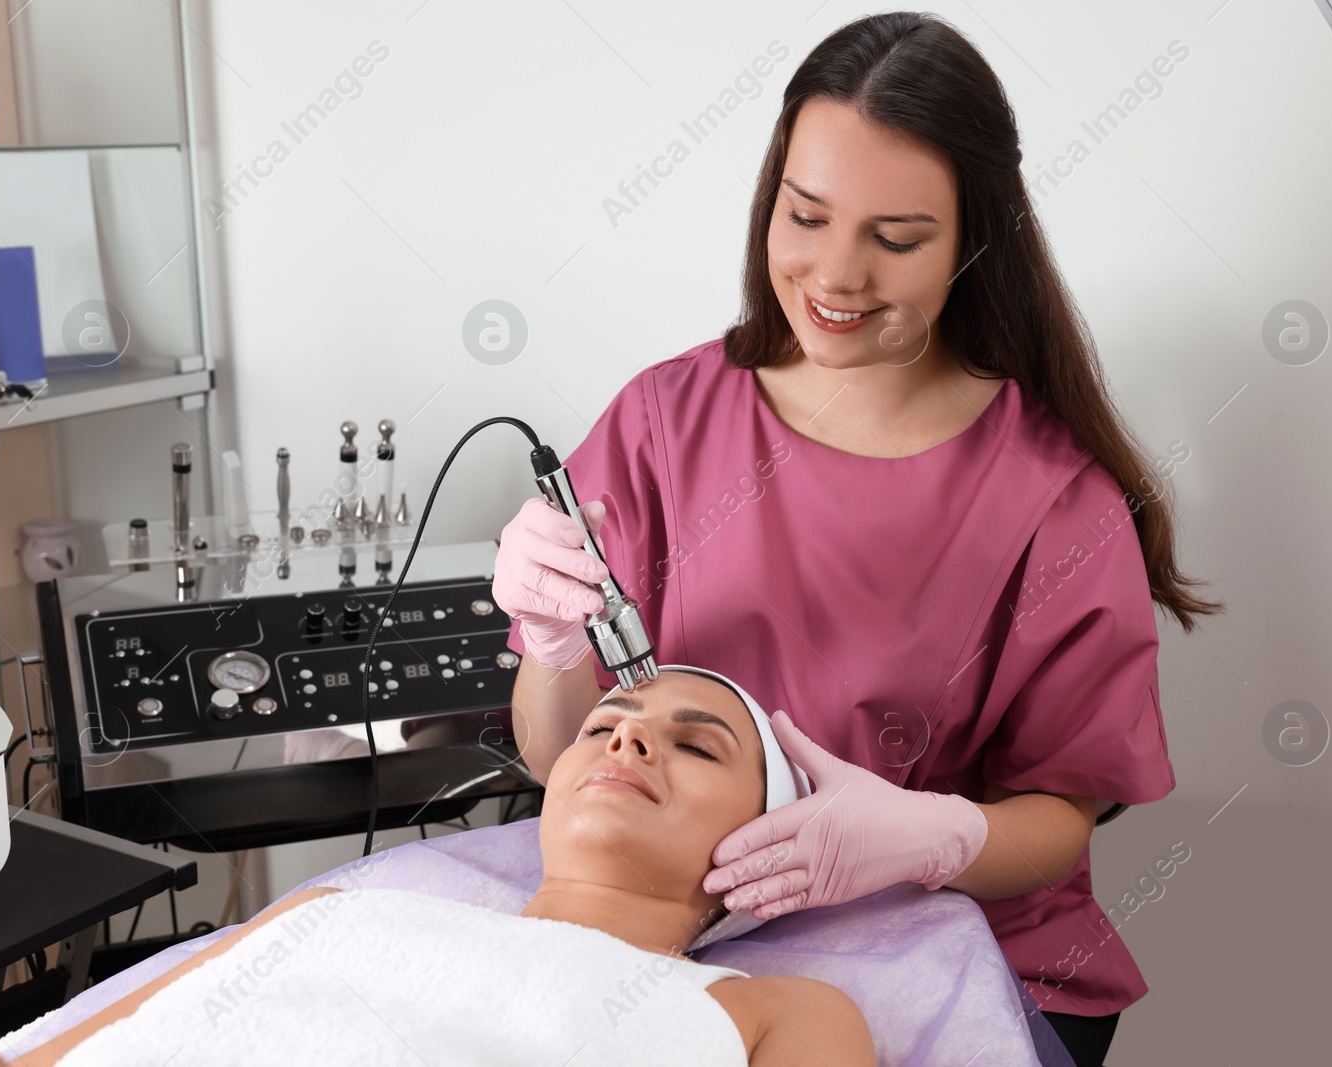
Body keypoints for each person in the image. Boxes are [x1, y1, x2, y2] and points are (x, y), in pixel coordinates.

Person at [494, 12, 1222, 1067]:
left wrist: (935, 836)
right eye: (806, 215)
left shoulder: (1053, 498)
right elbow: (558, 751)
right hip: (677, 936)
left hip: (969, 949)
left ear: (974, 241)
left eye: (895, 238)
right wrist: (554, 644)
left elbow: (1064, 812)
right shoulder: (666, 421)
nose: (834, 276)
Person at [0, 668, 874, 1067]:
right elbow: (13, 1064)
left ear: (763, 839)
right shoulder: (344, 911)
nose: (626, 742)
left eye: (696, 746)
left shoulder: (773, 1009)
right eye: (603, 725)